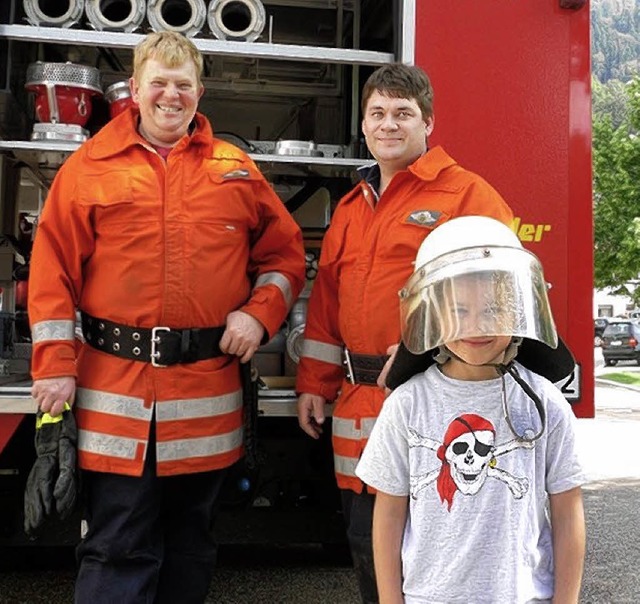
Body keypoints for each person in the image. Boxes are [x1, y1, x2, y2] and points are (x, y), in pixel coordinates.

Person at [28, 31, 305, 603]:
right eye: (159, 83)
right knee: (116, 549)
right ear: (135, 88)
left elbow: (284, 256)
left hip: (205, 402)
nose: (170, 97)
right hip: (116, 400)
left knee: (191, 549)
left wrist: (259, 316)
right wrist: (53, 364)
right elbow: (51, 271)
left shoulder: (235, 170)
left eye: (183, 85)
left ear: (200, 92)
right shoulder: (90, 167)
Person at [295, 63, 514, 603]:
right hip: (357, 409)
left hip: (431, 400)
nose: (389, 125)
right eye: (378, 114)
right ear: (364, 127)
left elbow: (502, 290)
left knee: (438, 549)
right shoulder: (350, 207)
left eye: (403, 114)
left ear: (428, 122)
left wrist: (430, 342)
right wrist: (313, 383)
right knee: (370, 547)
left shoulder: (467, 195)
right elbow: (327, 304)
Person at [355, 215, 587, 603]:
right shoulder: (407, 406)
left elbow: (567, 511)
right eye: (459, 311)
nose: (476, 326)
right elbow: (389, 515)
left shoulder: (545, 402)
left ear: (520, 308)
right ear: (431, 315)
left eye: (494, 309)